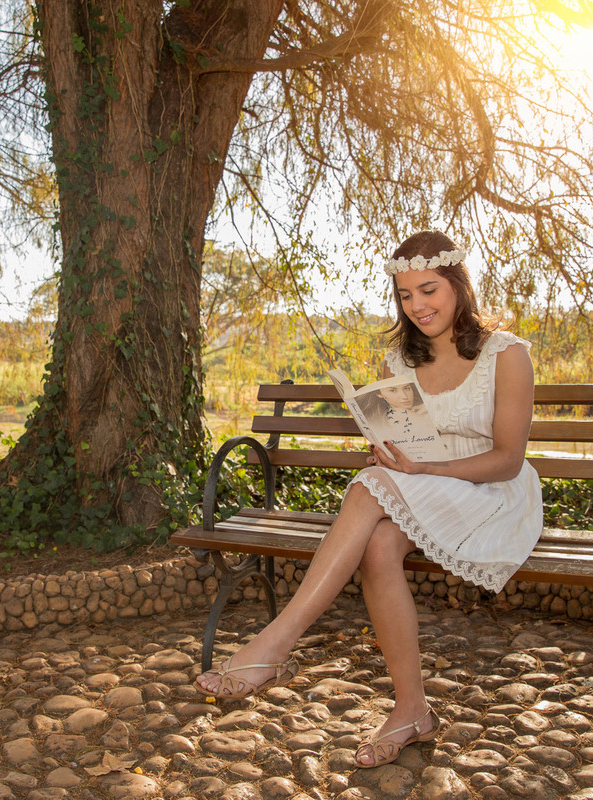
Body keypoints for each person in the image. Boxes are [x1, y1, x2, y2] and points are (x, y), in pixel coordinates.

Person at [193, 230, 544, 769]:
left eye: (428, 290)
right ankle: (412, 711)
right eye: (405, 295)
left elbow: (508, 460)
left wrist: (422, 469)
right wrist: (388, 452)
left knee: (370, 488)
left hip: (491, 494)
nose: (417, 305)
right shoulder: (397, 362)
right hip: (424, 486)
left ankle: (275, 644)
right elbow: (400, 445)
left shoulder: (507, 354)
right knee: (378, 543)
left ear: (458, 285)